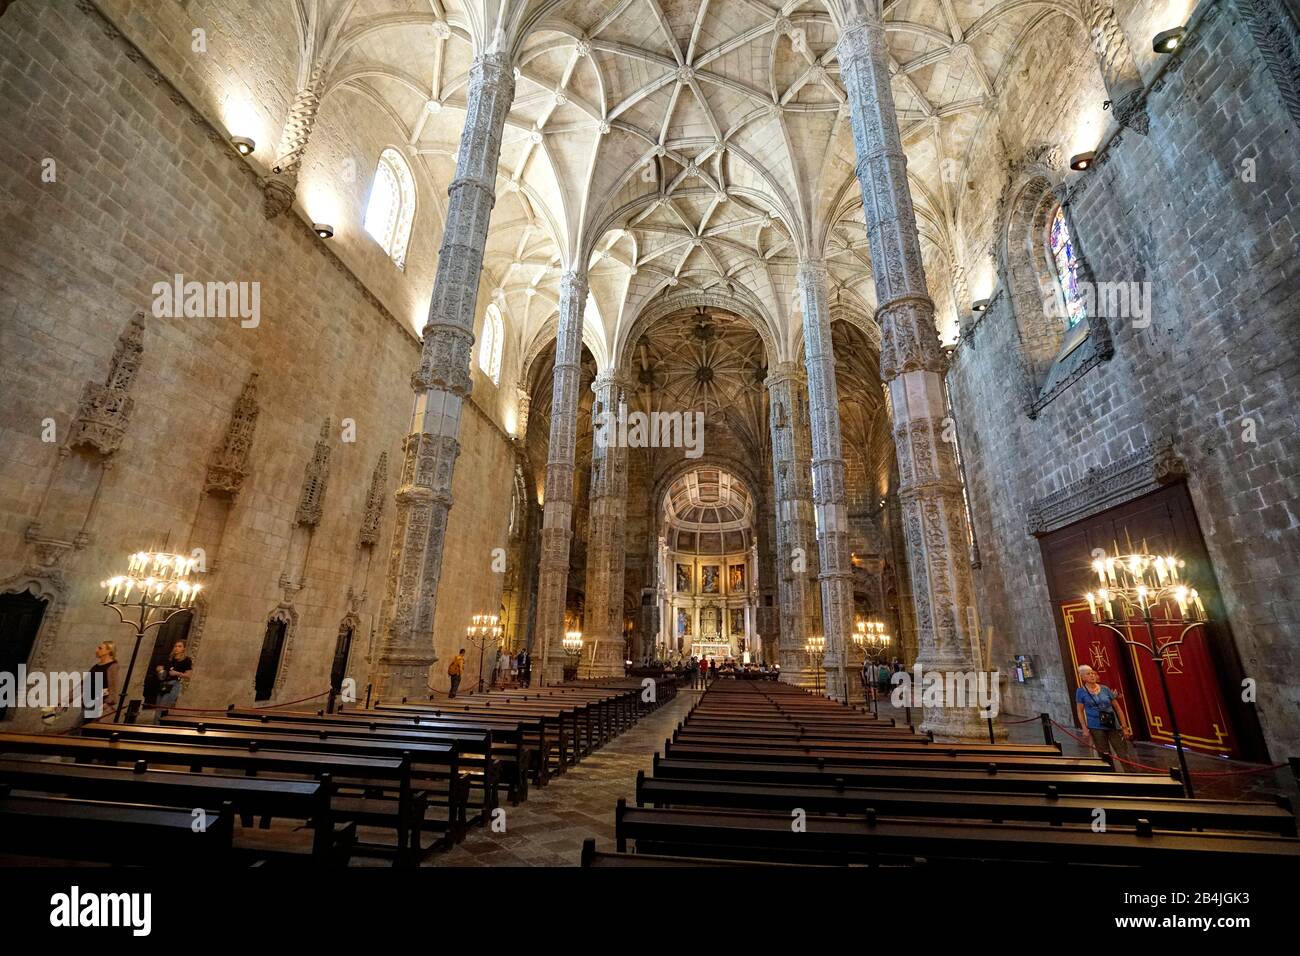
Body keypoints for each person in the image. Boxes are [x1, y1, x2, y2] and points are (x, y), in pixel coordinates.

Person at [1074, 664, 1134, 772]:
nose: (1092, 675)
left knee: (1122, 752)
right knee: (1104, 753)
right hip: (1096, 726)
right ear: (1082, 677)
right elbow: (1080, 711)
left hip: (1112, 724)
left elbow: (1117, 708)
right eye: (1088, 674)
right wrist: (1084, 727)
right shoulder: (1080, 692)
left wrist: (1124, 726)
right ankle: (1110, 775)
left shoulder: (1105, 689)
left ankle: (1131, 775)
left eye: (1093, 673)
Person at [85, 641, 118, 722]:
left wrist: (108, 703)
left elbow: (113, 686)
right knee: (80, 728)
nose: (97, 650)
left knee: (87, 729)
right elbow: (84, 684)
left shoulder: (112, 666)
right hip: (90, 702)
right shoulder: (96, 666)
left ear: (109, 651)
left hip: (100, 704)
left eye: (100, 648)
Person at [155, 639, 193, 712]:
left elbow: (188, 675)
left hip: (174, 684)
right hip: (163, 683)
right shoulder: (169, 658)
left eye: (179, 646)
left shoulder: (186, 660)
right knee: (158, 707)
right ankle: (155, 722)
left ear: (184, 648)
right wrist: (159, 669)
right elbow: (159, 667)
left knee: (163, 707)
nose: (177, 648)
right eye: (175, 646)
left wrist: (177, 673)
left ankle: (159, 722)